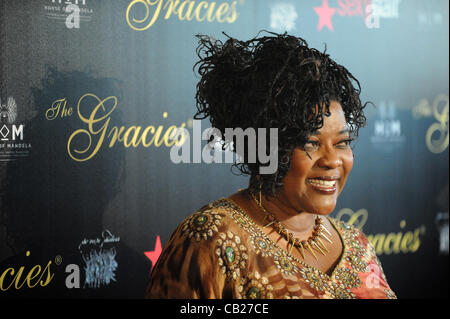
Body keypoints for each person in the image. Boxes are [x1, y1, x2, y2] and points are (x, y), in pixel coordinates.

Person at [145, 32, 396, 299]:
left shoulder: (357, 244)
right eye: (310, 143)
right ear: (267, 146)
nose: (333, 160)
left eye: (342, 142)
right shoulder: (210, 239)